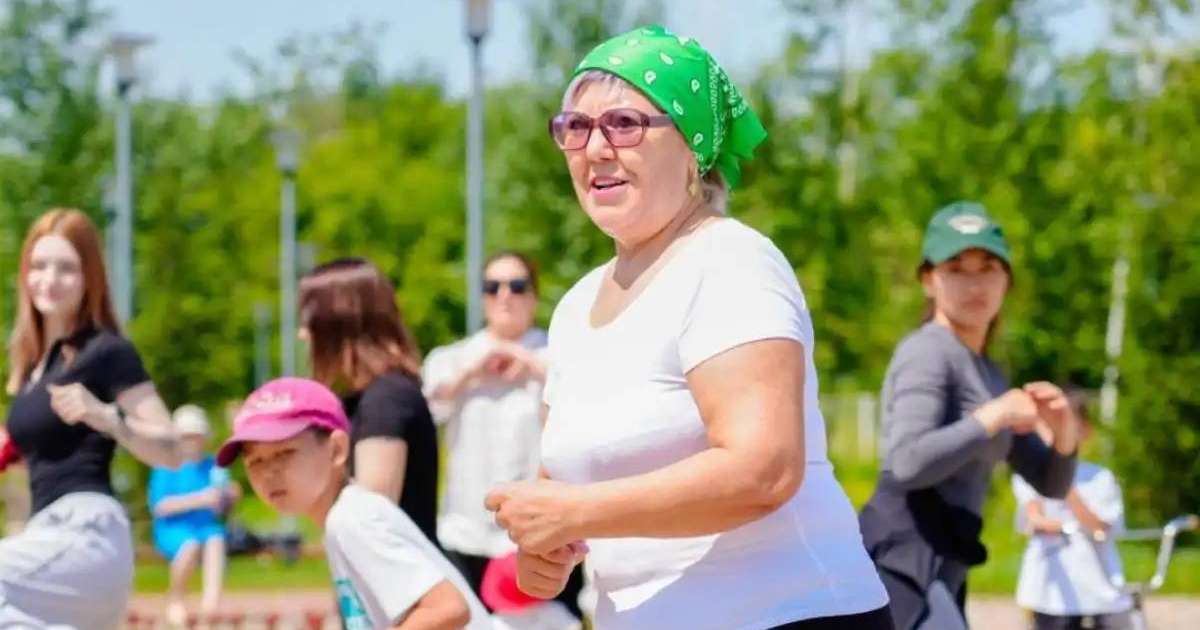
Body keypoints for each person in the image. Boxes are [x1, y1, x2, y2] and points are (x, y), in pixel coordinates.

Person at [484, 25, 892, 630]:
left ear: (694, 144)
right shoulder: (573, 308)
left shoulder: (728, 261)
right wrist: (544, 552)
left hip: (788, 616)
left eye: (624, 124)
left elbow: (764, 471)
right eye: (575, 127)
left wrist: (575, 511)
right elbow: (569, 491)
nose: (596, 149)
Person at [857, 201, 1080, 630]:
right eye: (956, 268)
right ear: (928, 279)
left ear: (1007, 281)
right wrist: (992, 417)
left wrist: (1065, 433)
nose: (974, 284)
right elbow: (905, 462)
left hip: (943, 568)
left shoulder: (989, 372)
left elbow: (1051, 482)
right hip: (901, 562)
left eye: (988, 267)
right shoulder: (929, 351)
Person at [0, 208, 183, 629]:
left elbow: (172, 451)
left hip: (86, 535)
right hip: (44, 539)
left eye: (66, 268)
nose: (49, 279)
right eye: (39, 265)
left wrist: (106, 416)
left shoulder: (105, 352)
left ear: (90, 278)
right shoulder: (32, 370)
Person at [215, 377, 492, 630]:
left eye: (285, 452)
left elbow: (448, 609)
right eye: (255, 461)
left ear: (337, 449)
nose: (269, 472)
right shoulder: (344, 518)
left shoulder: (353, 519)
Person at [424, 252, 579, 608]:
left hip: (539, 528)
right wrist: (471, 373)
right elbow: (429, 405)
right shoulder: (453, 357)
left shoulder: (558, 355)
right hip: (467, 528)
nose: (504, 295)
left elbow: (582, 404)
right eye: (492, 287)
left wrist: (530, 365)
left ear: (534, 296)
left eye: (517, 285)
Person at [299, 257, 440, 544]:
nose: (302, 334)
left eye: (308, 321)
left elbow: (372, 525)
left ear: (336, 325)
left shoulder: (387, 400)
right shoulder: (363, 400)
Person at [1013, 390, 1133, 630]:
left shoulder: (1100, 477)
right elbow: (1034, 519)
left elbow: (1103, 526)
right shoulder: (1029, 475)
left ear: (1084, 431)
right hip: (1051, 590)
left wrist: (1062, 482)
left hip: (1100, 586)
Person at [149, 404, 241, 626]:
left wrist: (229, 496)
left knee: (216, 539)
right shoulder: (166, 466)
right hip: (174, 530)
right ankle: (176, 600)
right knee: (190, 547)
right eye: (187, 436)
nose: (192, 441)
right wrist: (199, 499)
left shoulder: (214, 465)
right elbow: (160, 506)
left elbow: (224, 504)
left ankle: (210, 607)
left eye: (196, 436)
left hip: (206, 527)